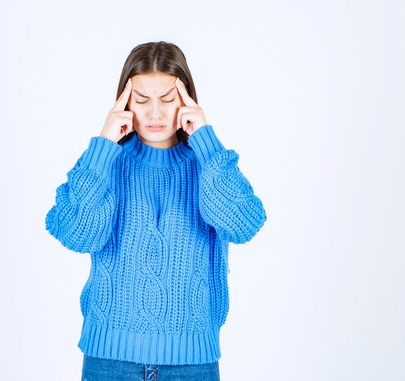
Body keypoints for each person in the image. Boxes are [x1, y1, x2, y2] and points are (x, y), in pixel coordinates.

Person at [45, 41, 267, 380]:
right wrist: (103, 144)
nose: (154, 113)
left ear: (187, 99)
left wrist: (206, 140)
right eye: (141, 100)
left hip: (192, 363)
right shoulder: (108, 164)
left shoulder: (205, 165)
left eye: (167, 99)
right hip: (111, 361)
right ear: (123, 101)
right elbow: (76, 231)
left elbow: (245, 224)